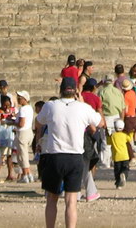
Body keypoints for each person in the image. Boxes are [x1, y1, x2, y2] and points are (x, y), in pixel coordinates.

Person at [36, 76, 104, 228]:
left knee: (52, 199)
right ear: (76, 91)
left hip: (55, 156)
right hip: (75, 157)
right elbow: (100, 122)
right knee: (71, 201)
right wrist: (82, 102)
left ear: (60, 90)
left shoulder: (51, 106)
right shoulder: (83, 108)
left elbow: (38, 122)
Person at [108, 117, 133, 188]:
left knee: (117, 171)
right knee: (125, 168)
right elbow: (129, 139)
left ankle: (118, 183)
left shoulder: (113, 136)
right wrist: (131, 132)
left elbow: (108, 142)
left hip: (116, 157)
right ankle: (124, 174)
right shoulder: (124, 135)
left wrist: (107, 134)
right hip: (125, 156)